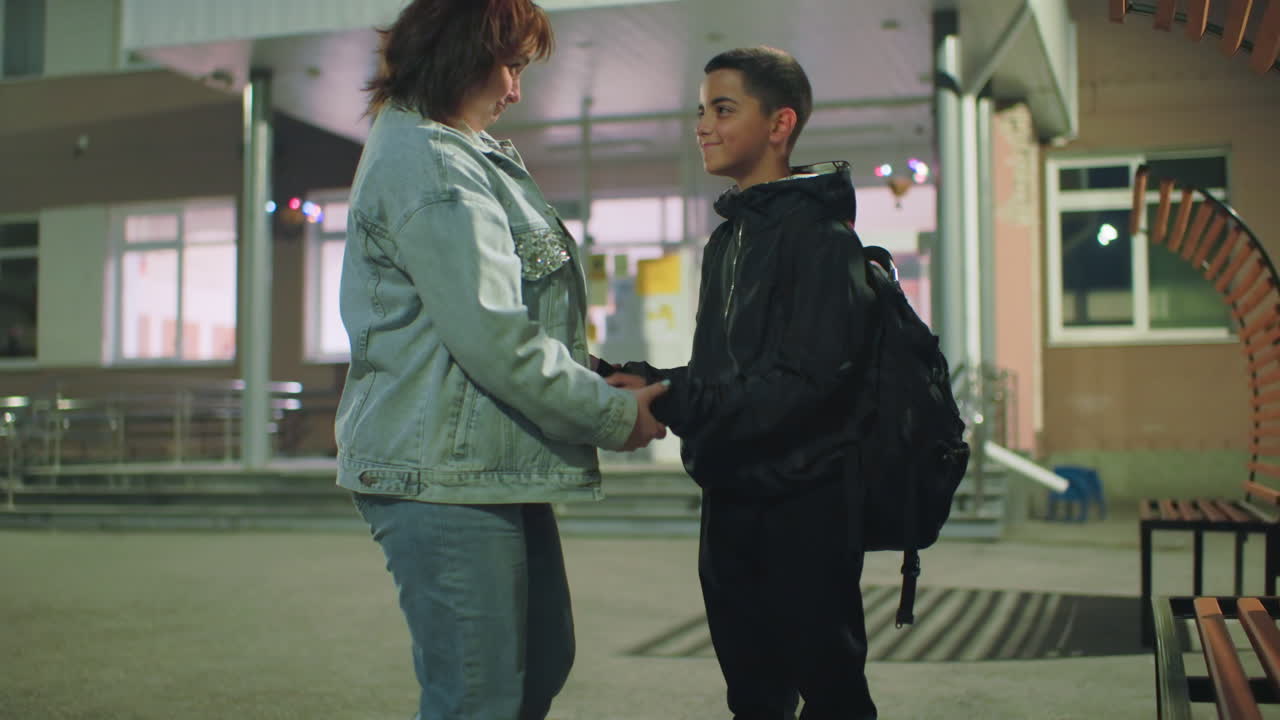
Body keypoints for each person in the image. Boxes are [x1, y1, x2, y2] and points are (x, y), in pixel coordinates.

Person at [333, 2, 668, 718]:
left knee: (535, 666)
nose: (516, 90)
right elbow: (494, 339)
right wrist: (610, 415)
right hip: (440, 473)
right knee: (480, 698)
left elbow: (506, 321)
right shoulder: (433, 165)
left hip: (478, 461)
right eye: (510, 66)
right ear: (462, 54)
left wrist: (593, 375)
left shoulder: (454, 152)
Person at [615, 47, 878, 719]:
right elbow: (725, 376)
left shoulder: (822, 238)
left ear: (779, 124)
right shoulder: (727, 242)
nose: (703, 125)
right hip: (731, 500)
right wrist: (642, 379)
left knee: (832, 694)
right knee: (753, 699)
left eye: (723, 109)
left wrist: (671, 401)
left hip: (807, 507)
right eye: (700, 110)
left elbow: (802, 385)